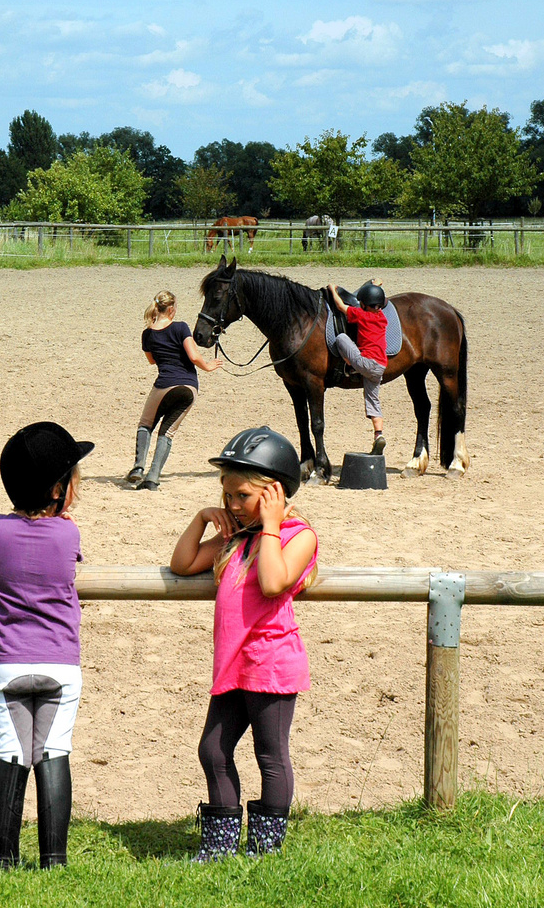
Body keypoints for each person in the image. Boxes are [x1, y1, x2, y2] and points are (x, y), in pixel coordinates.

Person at [170, 426, 318, 860]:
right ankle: (218, 847)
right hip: (234, 663)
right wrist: (201, 519)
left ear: (273, 492)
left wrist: (271, 523)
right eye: (227, 495)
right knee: (213, 749)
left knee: (270, 755)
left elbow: (273, 582)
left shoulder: (296, 535)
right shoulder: (238, 536)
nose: (232, 504)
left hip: (271, 663)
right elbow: (183, 565)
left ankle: (264, 850)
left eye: (242, 496)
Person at [0, 421, 93, 869]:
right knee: (54, 750)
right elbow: (58, 556)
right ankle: (53, 860)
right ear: (57, 489)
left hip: (9, 664)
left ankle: (3, 859)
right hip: (60, 663)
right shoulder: (68, 534)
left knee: (11, 752)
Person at [126, 289, 223, 491]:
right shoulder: (181, 328)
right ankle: (152, 478)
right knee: (167, 432)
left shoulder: (147, 334)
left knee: (145, 425)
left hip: (163, 385)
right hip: (187, 387)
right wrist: (208, 366)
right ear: (171, 309)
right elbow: (194, 356)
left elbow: (151, 361)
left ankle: (138, 467)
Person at [328, 280, 388, 456]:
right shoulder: (382, 317)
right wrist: (375, 285)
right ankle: (379, 435)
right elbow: (376, 302)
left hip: (365, 363)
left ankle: (349, 364)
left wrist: (332, 289)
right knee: (372, 400)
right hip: (380, 367)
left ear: (363, 305)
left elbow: (340, 306)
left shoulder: (361, 315)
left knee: (341, 339)